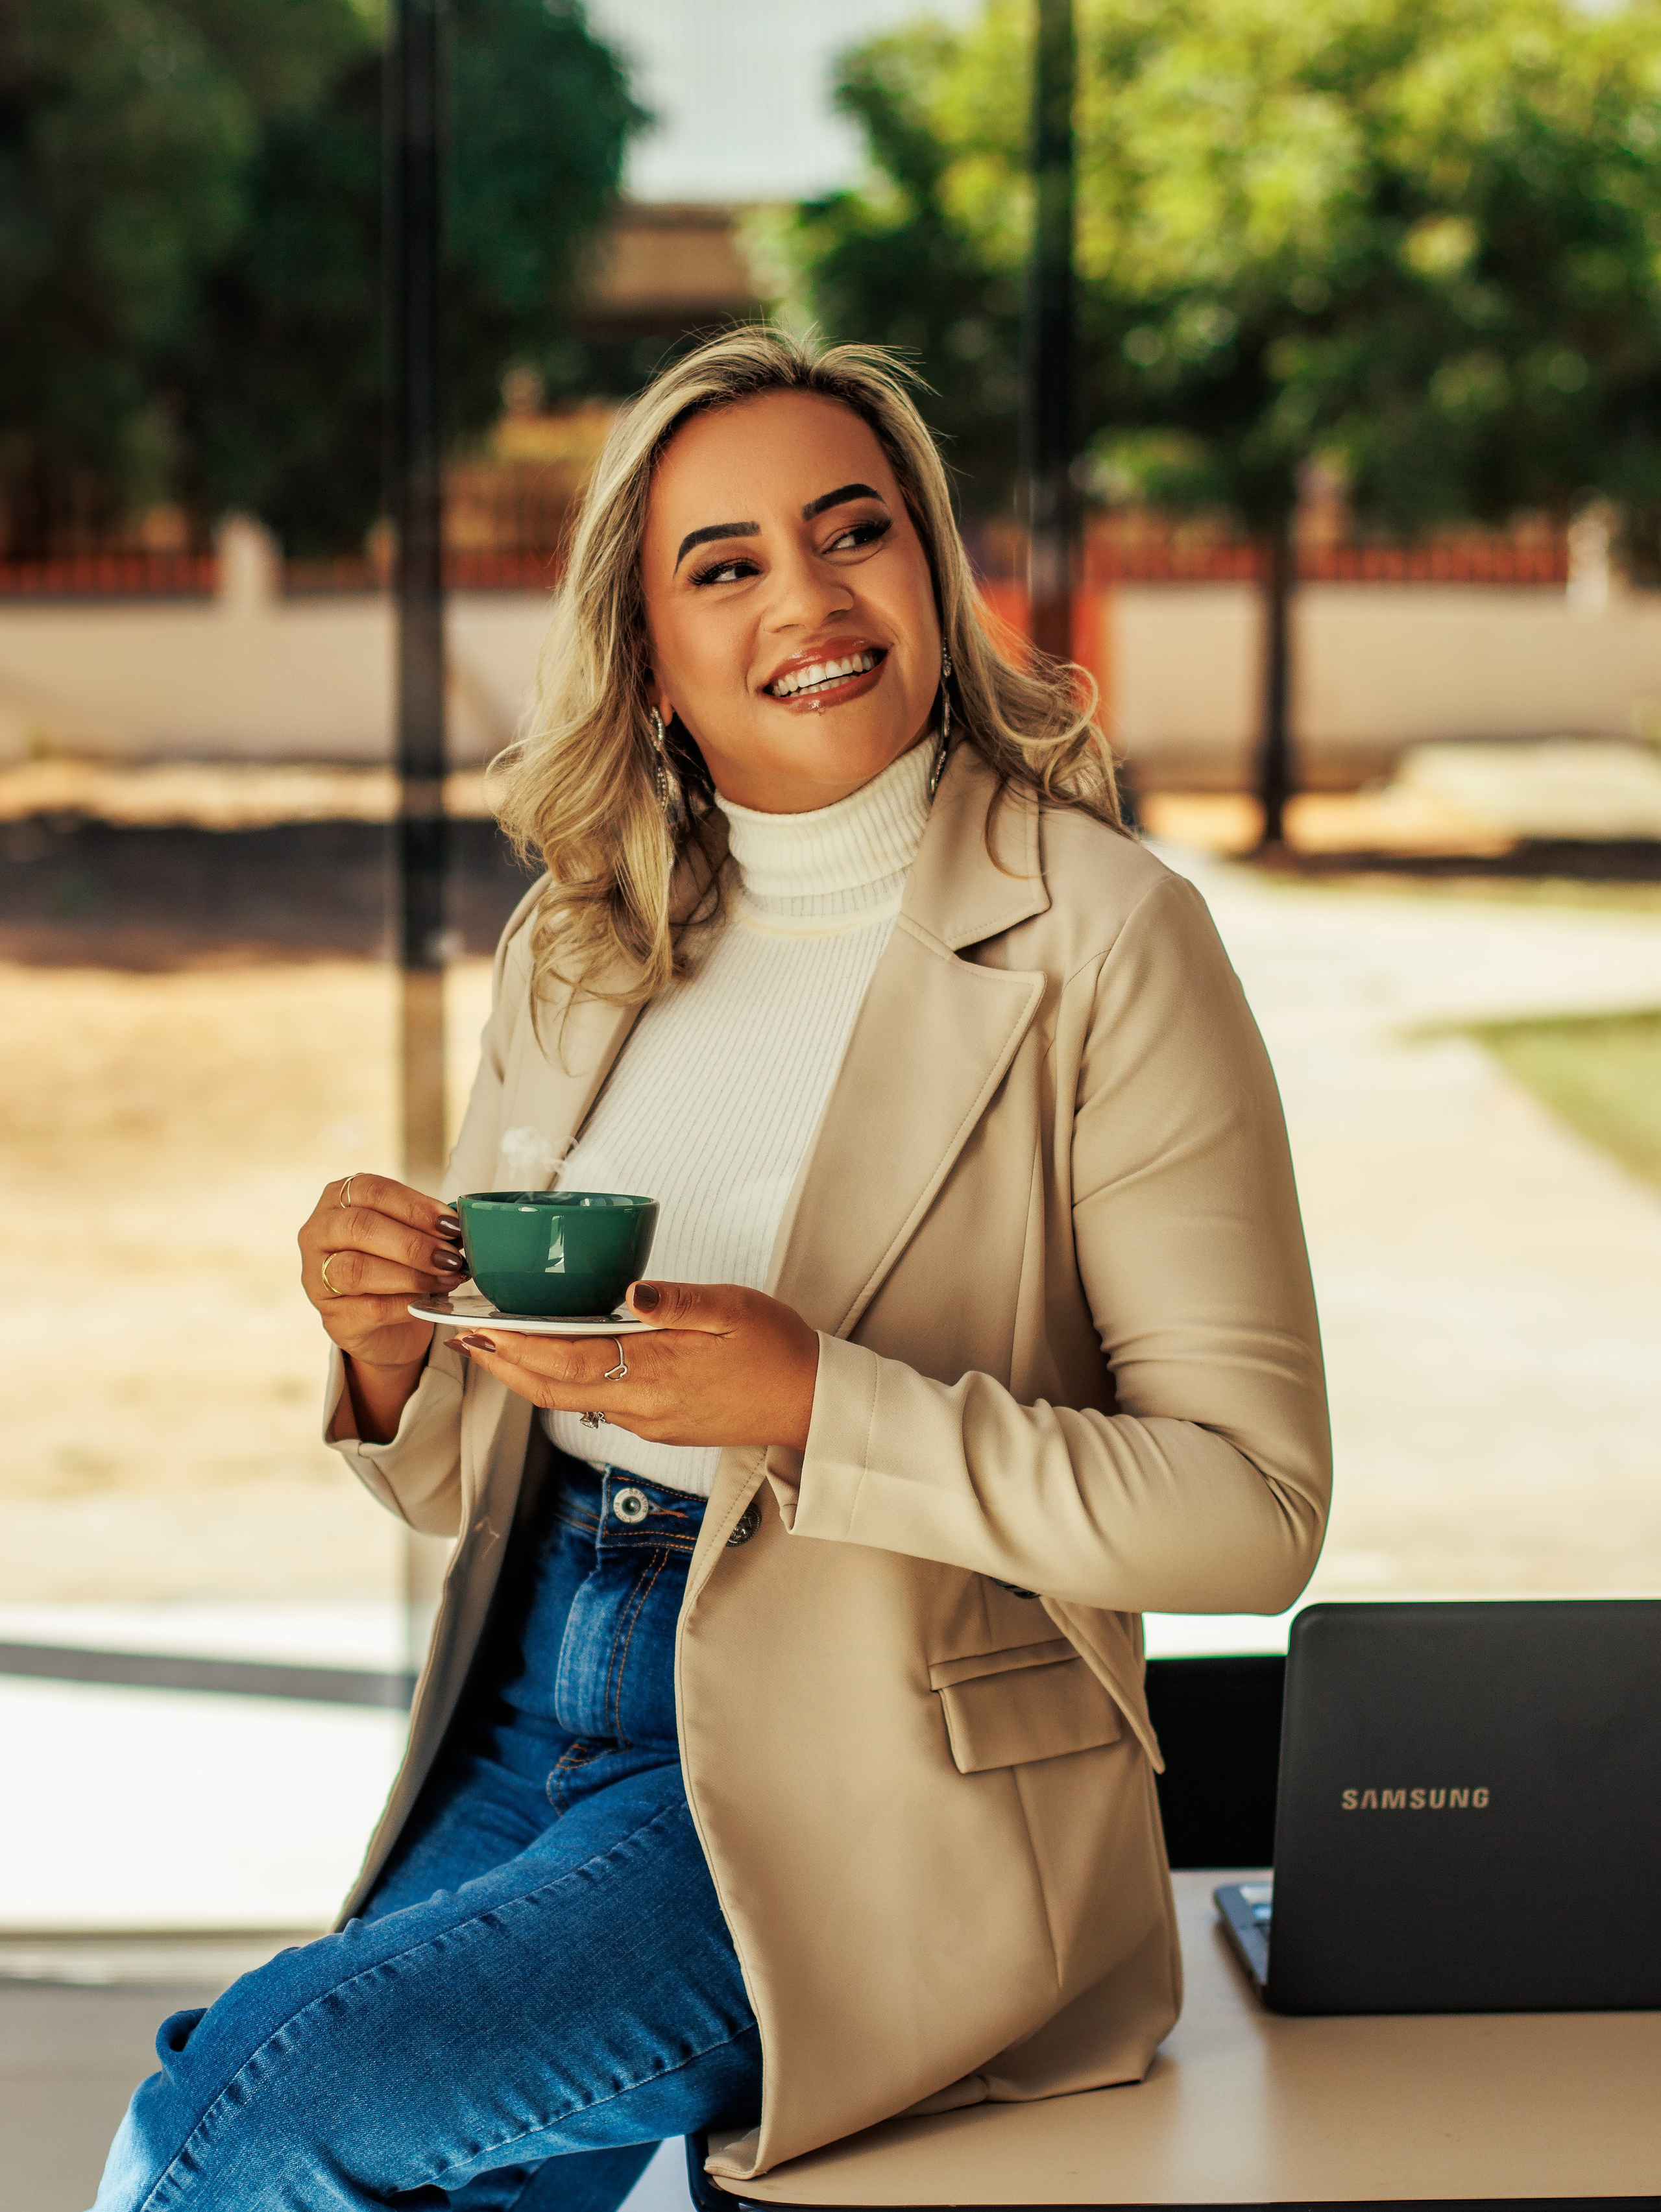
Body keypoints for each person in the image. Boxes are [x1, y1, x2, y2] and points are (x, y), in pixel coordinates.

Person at [93, 329, 1330, 2211]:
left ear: (934, 567)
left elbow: (1252, 1513)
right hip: (534, 1696)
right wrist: (382, 1352)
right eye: (728, 565)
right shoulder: (578, 942)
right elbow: (462, 1470)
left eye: (857, 533)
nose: (811, 600)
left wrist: (819, 1401)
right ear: (649, 650)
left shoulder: (1108, 937)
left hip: (869, 1777)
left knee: (255, 2106)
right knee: (342, 2138)